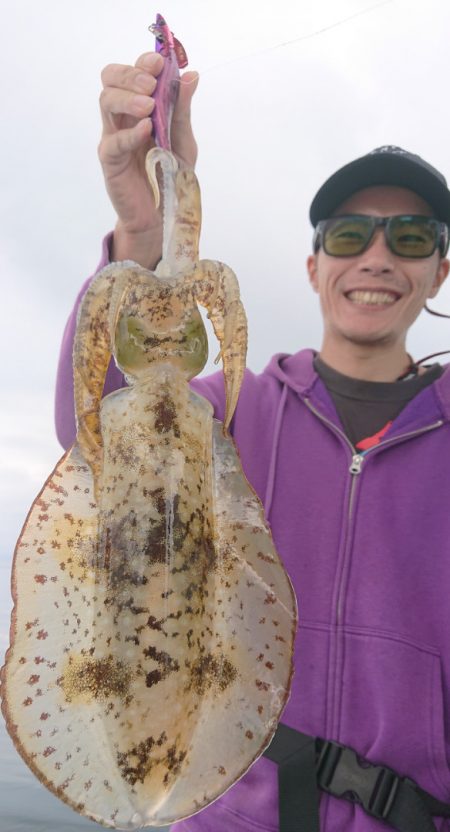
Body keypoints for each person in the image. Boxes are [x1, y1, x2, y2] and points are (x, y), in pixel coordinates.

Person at [55, 51, 450, 832]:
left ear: (439, 271)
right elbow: (94, 426)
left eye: (409, 237)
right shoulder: (230, 417)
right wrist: (142, 230)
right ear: (313, 267)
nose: (376, 257)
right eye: (348, 236)